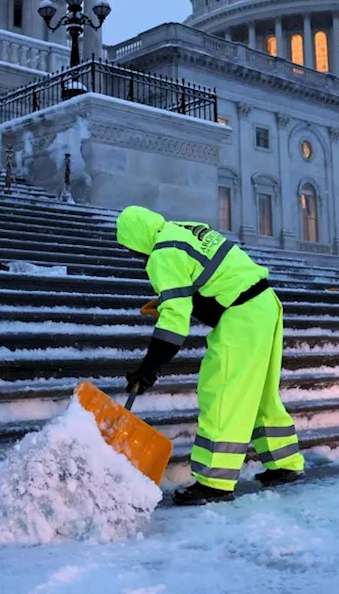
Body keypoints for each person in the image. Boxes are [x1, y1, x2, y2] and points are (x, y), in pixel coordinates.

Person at [116, 205, 304, 505]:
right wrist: (173, 298)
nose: (135, 256)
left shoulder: (161, 254)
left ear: (135, 240)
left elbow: (174, 322)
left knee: (221, 392)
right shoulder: (182, 227)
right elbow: (208, 274)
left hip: (241, 315)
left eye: (130, 250)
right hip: (265, 303)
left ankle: (215, 483)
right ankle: (285, 463)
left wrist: (149, 366)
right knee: (261, 394)